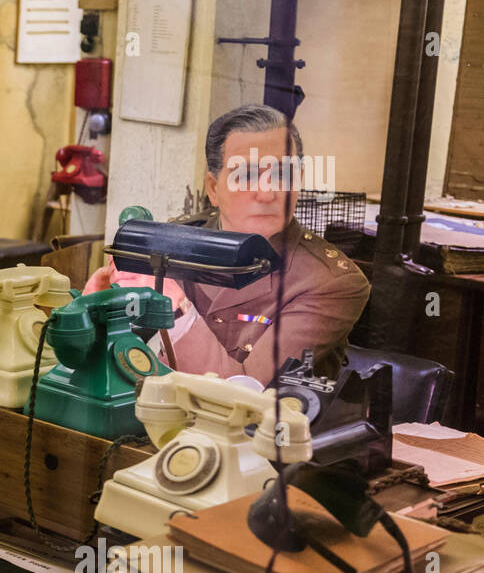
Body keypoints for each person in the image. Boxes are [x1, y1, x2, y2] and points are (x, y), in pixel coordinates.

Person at [84, 103, 370, 384]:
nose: (267, 193)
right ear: (213, 189)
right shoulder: (173, 240)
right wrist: (98, 314)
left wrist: (176, 308)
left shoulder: (329, 282)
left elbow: (242, 391)